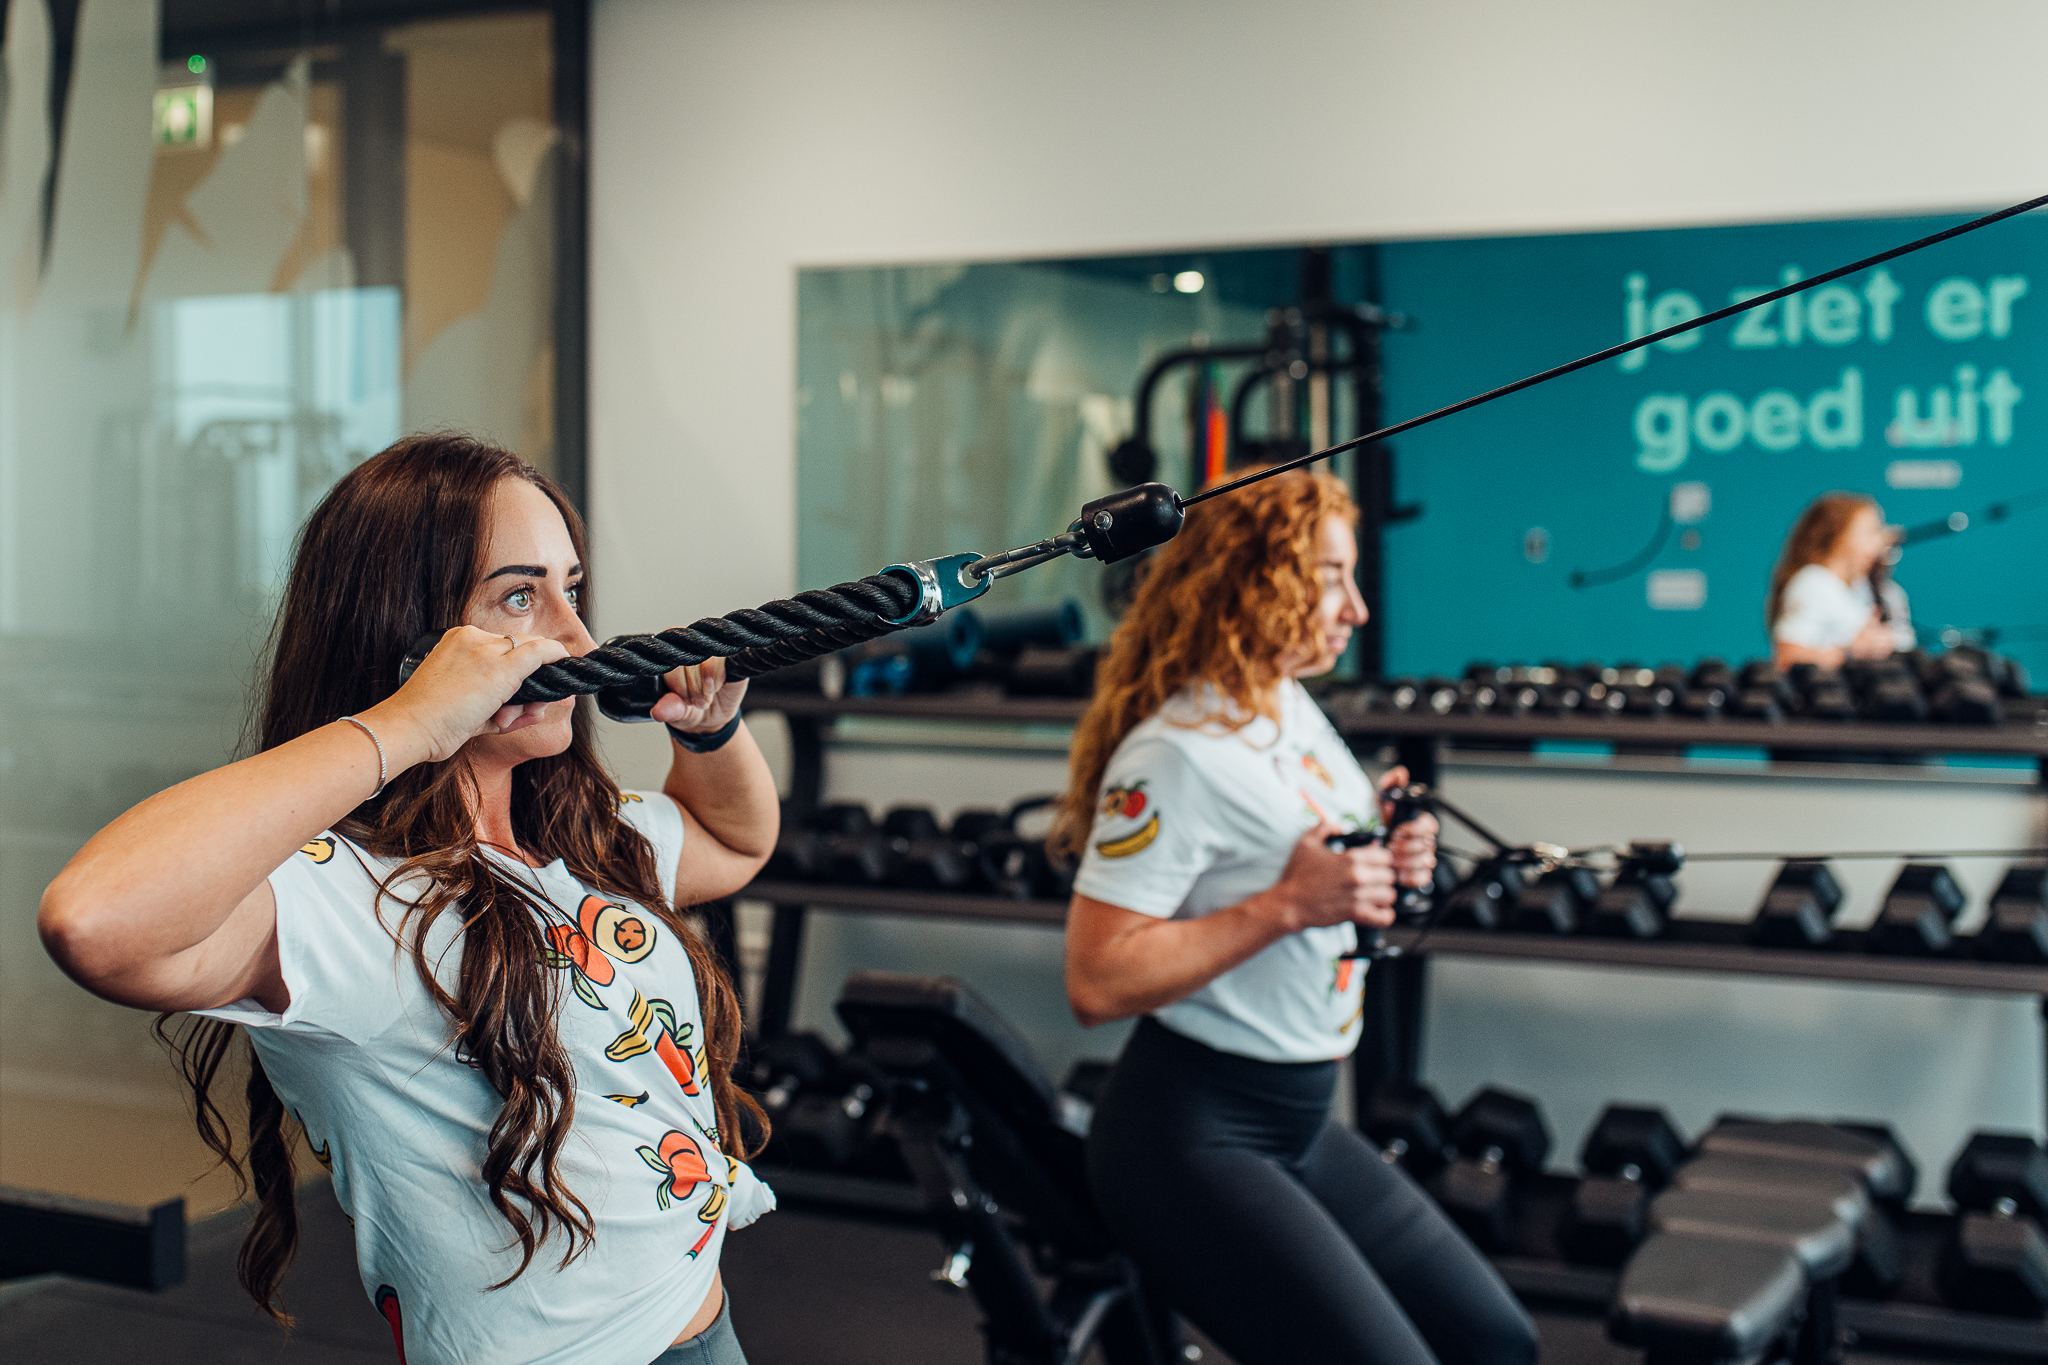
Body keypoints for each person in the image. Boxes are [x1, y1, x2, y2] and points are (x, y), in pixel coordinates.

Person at [38, 435, 778, 1365]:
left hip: (705, 1323)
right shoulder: (344, 899)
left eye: (571, 590)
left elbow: (733, 842)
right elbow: (92, 920)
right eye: (520, 596)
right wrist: (408, 724)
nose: (578, 639)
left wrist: (712, 736)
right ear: (412, 637)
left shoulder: (578, 838)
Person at [1052, 467, 1539, 1365]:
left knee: (1496, 1343)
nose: (1355, 609)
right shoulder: (1175, 756)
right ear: (1254, 578)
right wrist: (1288, 904)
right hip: (1190, 1134)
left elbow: (1317, 855)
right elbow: (1097, 978)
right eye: (1332, 577)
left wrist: (1385, 847)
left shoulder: (1287, 703)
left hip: (1304, 1117)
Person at [1769, 493, 1914, 670]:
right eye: (1870, 533)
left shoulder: (1870, 588)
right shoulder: (1813, 583)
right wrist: (1853, 651)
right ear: (1839, 536)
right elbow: (1787, 658)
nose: (1880, 544)